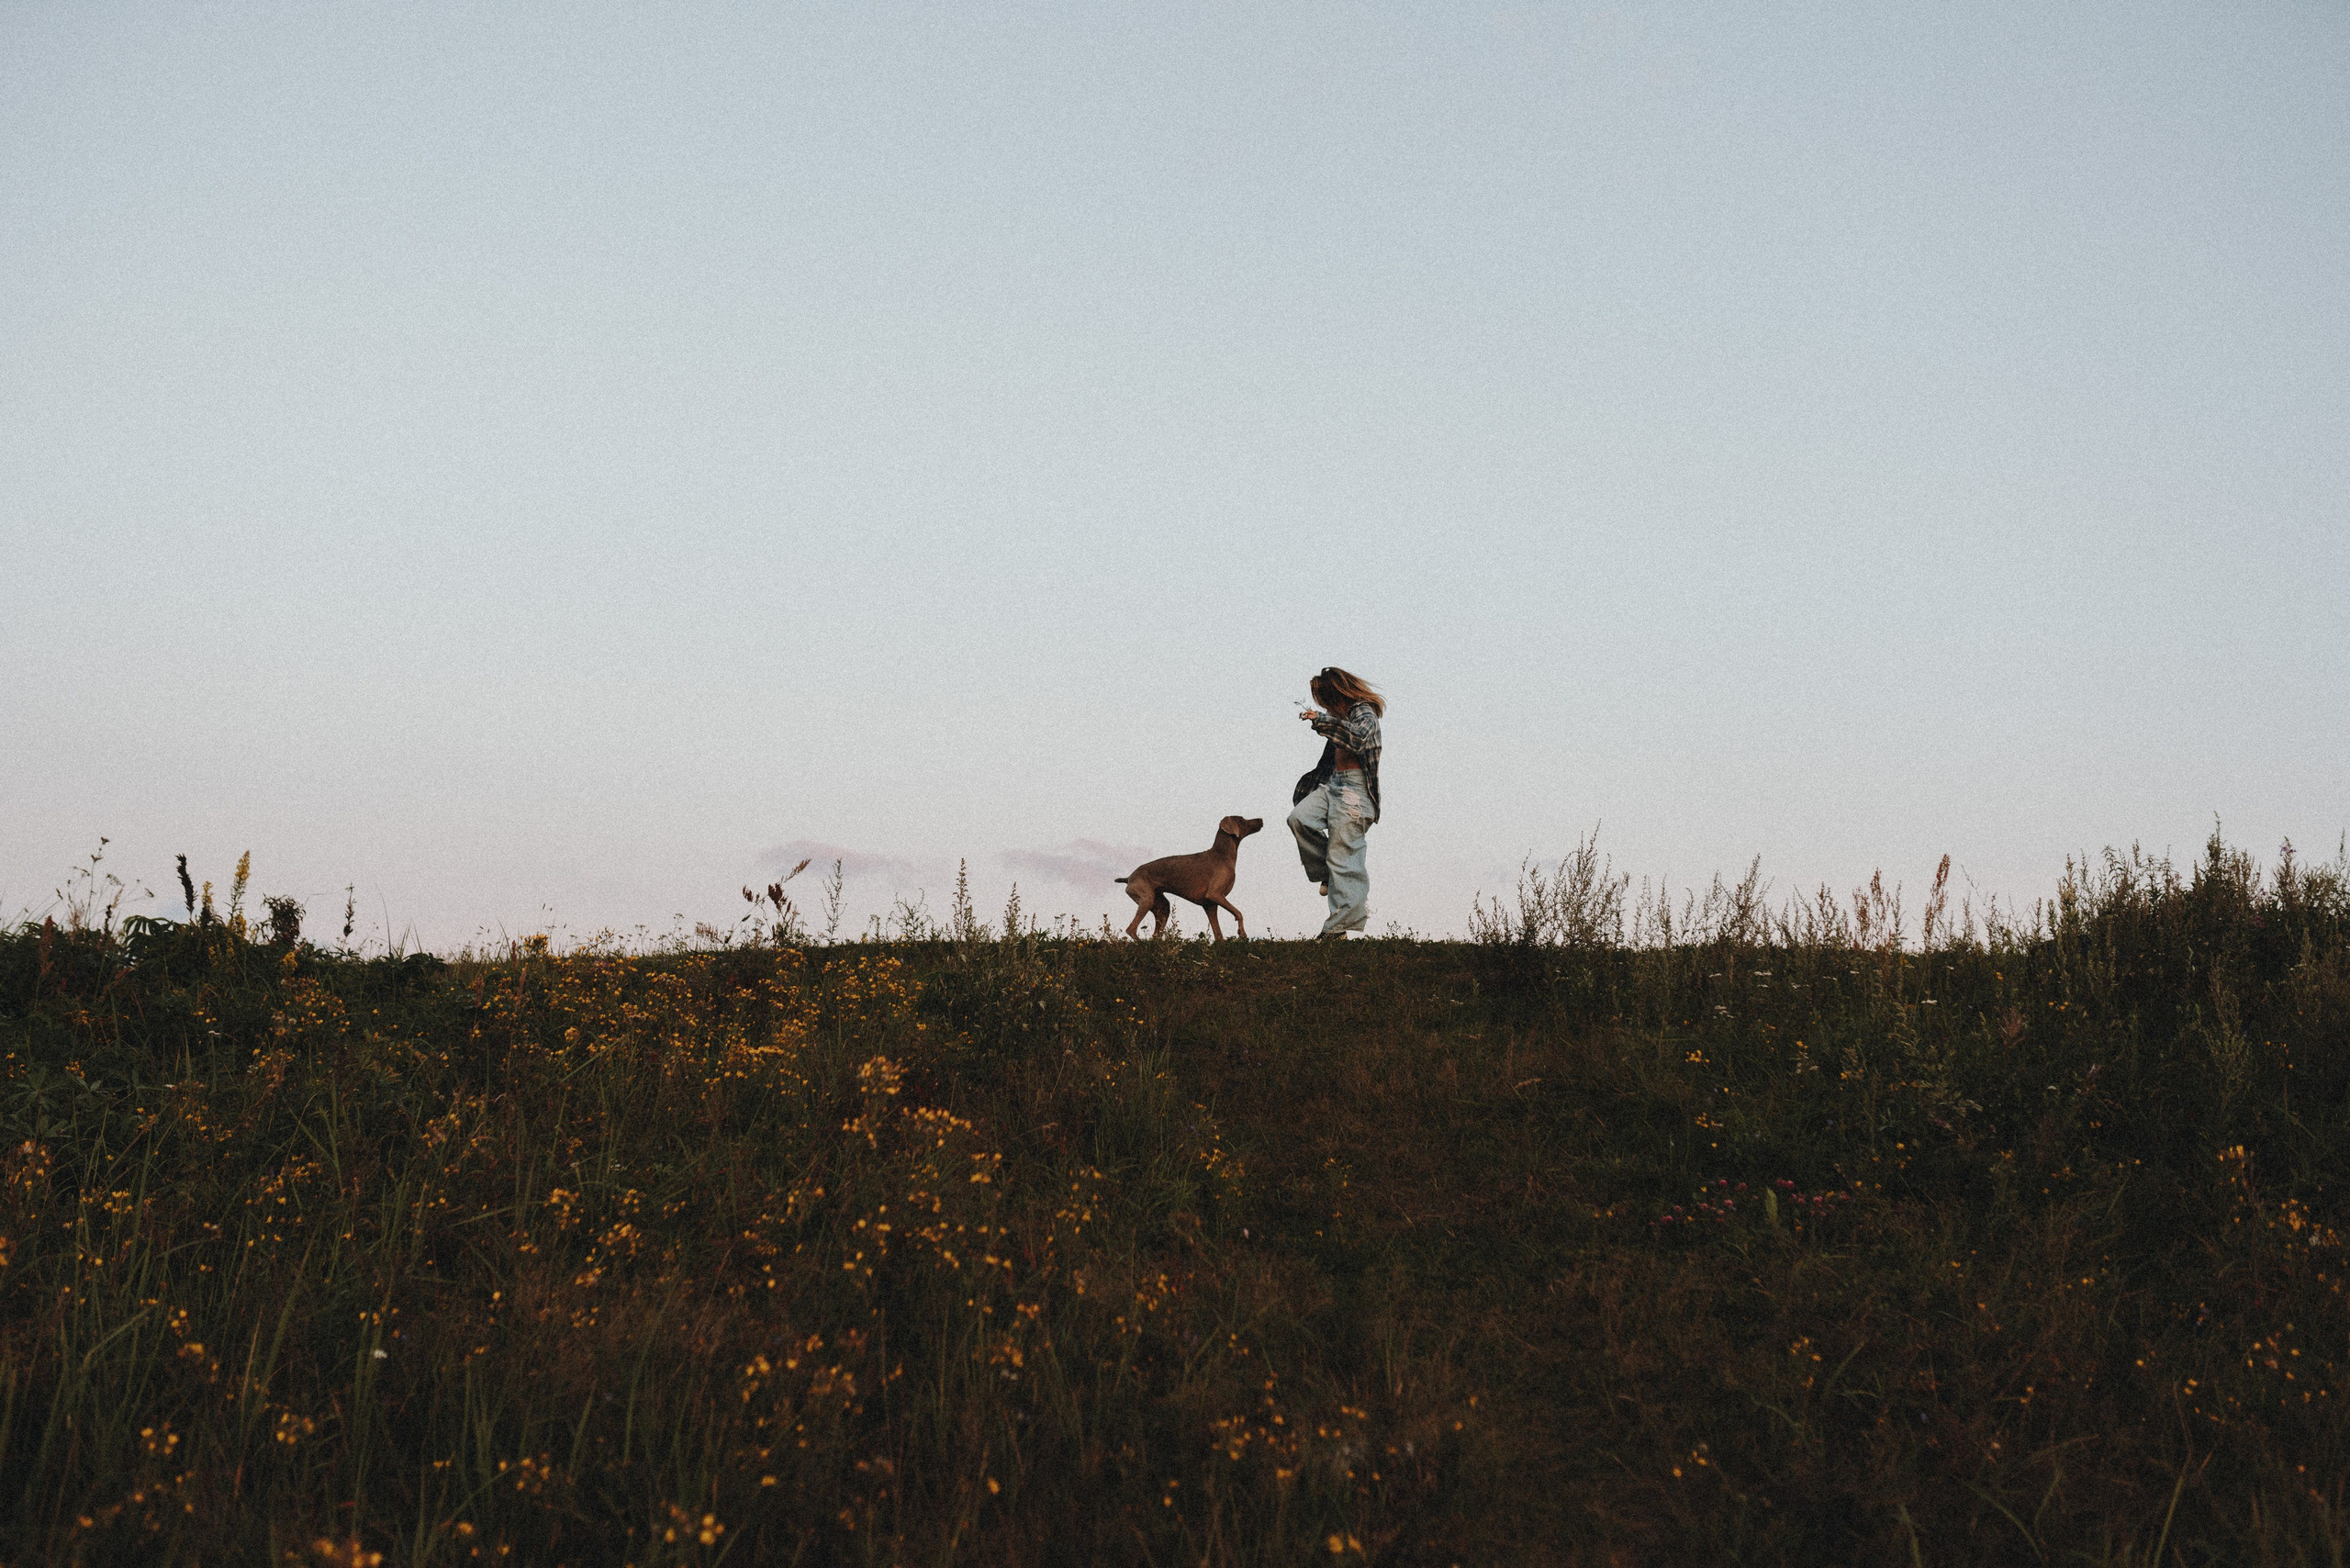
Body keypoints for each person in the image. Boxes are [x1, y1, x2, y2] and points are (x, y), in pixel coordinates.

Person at [1288, 666, 1383, 938]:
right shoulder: (1339, 715)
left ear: (1340, 695)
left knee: (1345, 859)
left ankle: (1337, 930)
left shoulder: (1363, 712)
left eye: (1327, 701)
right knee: (1299, 819)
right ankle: (1327, 873)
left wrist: (1322, 721)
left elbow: (1358, 739)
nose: (1325, 707)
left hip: (1354, 792)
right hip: (1333, 785)